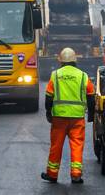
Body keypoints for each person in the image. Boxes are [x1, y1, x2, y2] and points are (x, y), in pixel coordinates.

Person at [41, 47, 96, 185]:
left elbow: (49, 96)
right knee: (77, 146)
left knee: (56, 146)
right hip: (77, 118)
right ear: (74, 61)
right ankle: (76, 175)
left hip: (59, 117)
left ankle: (52, 174)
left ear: (61, 61)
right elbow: (91, 96)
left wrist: (49, 112)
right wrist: (91, 115)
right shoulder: (83, 76)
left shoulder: (55, 75)